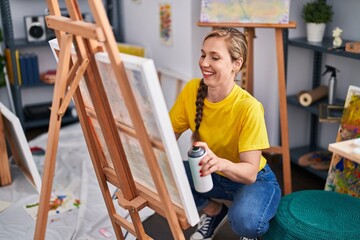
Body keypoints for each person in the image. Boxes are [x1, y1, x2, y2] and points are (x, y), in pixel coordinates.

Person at [169, 27, 281, 240]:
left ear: (236, 64)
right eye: (203, 54)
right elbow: (166, 136)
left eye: (215, 57)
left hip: (253, 179)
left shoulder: (249, 107)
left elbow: (249, 173)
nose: (204, 63)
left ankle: (249, 226)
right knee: (167, 178)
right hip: (211, 174)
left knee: (247, 222)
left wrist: (220, 163)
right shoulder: (192, 90)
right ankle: (213, 211)